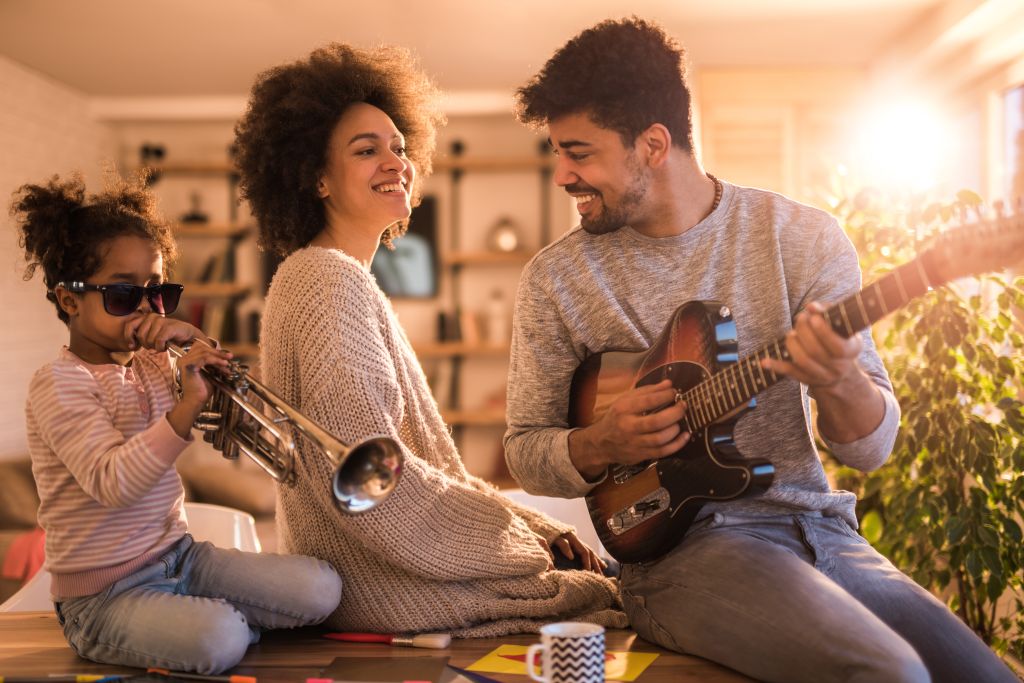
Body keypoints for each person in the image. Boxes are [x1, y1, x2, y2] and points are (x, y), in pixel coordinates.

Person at [504, 17, 1017, 683]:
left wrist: (838, 381)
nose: (561, 174)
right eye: (557, 152)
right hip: (678, 556)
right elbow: (524, 448)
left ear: (654, 145)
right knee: (891, 672)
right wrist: (600, 442)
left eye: (579, 152)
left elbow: (869, 448)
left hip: (824, 534)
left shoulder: (802, 238)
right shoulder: (555, 280)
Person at [233, 43, 626, 638]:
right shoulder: (326, 283)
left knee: (602, 582)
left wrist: (541, 530)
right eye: (366, 151)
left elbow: (419, 467)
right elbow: (372, 486)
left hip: (378, 569)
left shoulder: (336, 278)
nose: (395, 162)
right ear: (315, 178)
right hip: (383, 583)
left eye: (398, 146)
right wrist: (524, 544)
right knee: (614, 598)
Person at [11, 173, 342, 674]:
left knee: (322, 588)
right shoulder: (60, 384)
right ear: (70, 300)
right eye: (124, 295)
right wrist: (185, 406)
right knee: (220, 637)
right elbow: (114, 482)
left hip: (184, 558)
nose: (146, 307)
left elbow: (217, 411)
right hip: (103, 597)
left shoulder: (150, 364)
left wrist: (196, 345)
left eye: (158, 292)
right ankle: (221, 625)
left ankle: (208, 624)